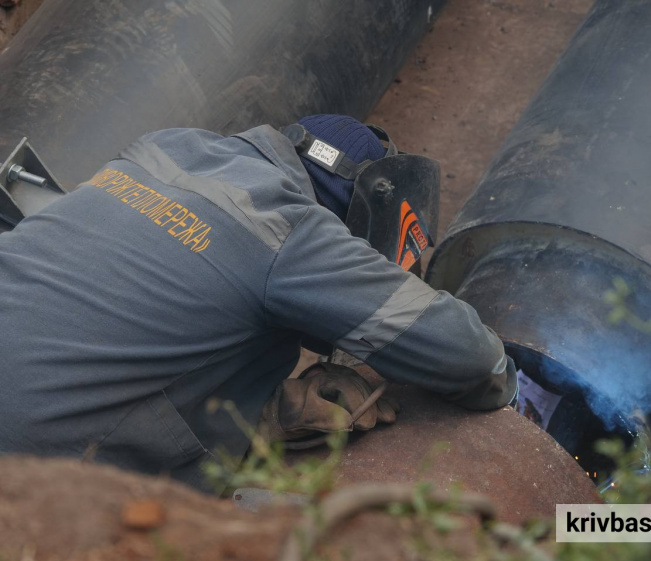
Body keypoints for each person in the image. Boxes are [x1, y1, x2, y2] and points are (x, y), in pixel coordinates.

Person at [0, 114, 517, 491]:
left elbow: (132, 311)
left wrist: (258, 412)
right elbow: (467, 356)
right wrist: (507, 384)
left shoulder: (167, 147)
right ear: (356, 220)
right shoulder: (289, 232)